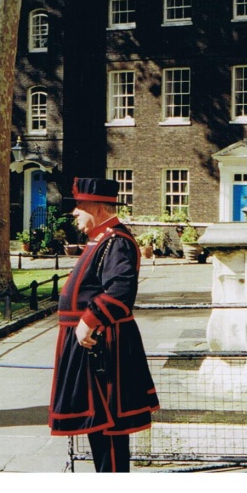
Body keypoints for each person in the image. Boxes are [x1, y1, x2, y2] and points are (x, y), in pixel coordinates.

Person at [48, 177, 159, 472]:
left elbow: (121, 290)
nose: (74, 212)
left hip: (104, 347)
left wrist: (88, 320)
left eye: (79, 206)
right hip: (91, 345)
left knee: (109, 428)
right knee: (98, 426)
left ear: (97, 208)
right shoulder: (101, 240)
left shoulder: (116, 241)